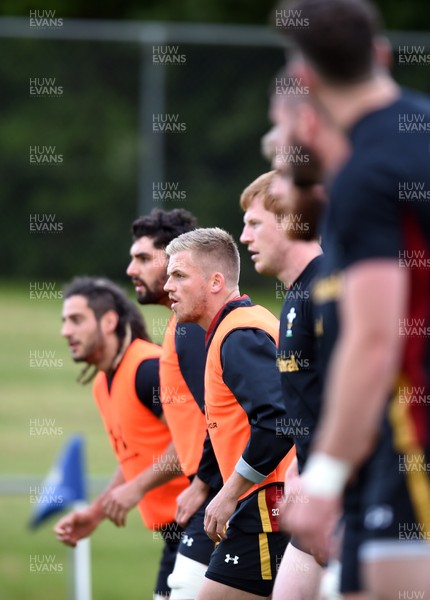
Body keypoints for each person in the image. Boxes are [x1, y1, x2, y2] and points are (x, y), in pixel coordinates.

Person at [275, 0, 430, 598]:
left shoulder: (365, 175)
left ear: (307, 83)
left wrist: (326, 479)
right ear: (382, 56)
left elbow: (373, 338)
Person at [164, 227, 296, 600]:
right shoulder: (234, 328)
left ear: (216, 281)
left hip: (265, 508)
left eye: (179, 275)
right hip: (262, 507)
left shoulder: (239, 335)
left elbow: (276, 422)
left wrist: (228, 493)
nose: (168, 286)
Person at [54, 277, 189, 600]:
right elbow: (135, 458)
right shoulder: (103, 382)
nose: (65, 331)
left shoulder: (148, 370)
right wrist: (96, 512)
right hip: (177, 534)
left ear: (109, 321)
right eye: (64, 321)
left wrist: (137, 488)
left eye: (76, 320)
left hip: (207, 523)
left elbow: (193, 442)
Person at [127, 209, 222, 599]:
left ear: (177, 258)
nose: (131, 268)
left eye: (144, 258)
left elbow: (220, 416)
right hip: (207, 496)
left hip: (217, 498)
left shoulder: (189, 328)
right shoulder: (178, 326)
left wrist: (203, 484)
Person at [239, 170, 324, 599]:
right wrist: (298, 466)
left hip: (354, 500)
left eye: (254, 224)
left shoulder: (329, 290)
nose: (243, 237)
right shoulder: (294, 297)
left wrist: (331, 478)